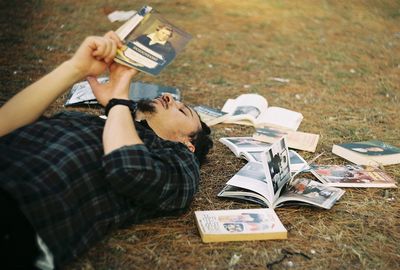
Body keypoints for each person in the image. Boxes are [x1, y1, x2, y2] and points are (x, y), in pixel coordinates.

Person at [0, 31, 212, 269]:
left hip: (17, 213)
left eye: (183, 110)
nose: (168, 97)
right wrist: (76, 68)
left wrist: (118, 102)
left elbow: (128, 169)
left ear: (188, 143)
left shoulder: (179, 161)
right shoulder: (93, 121)